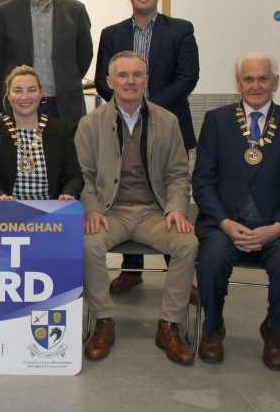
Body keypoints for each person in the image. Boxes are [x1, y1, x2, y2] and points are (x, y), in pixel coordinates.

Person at [194, 53, 280, 370]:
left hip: (275, 227)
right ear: (238, 83)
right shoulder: (216, 121)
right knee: (209, 260)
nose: (256, 85)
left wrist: (277, 227)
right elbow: (203, 182)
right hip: (225, 225)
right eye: (248, 79)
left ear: (275, 82)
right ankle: (212, 329)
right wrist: (224, 223)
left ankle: (275, 333)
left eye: (263, 78)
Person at [77, 51, 197, 365]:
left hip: (153, 212)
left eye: (137, 75)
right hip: (110, 212)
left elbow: (178, 173)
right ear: (109, 82)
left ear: (146, 80)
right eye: (122, 75)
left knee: (187, 244)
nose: (130, 81)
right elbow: (83, 175)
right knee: (88, 244)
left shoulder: (168, 121)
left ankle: (170, 325)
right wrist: (92, 209)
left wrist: (176, 208)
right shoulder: (90, 124)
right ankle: (103, 320)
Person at [94, 0, 200, 295]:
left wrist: (149, 109)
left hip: (170, 127)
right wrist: (128, 107)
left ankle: (180, 275)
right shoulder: (112, 33)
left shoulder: (180, 30)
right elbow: (102, 80)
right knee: (127, 189)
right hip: (122, 125)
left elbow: (188, 77)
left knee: (167, 193)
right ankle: (131, 270)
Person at [0, 0, 93, 123]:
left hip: (66, 109)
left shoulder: (76, 11)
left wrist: (67, 81)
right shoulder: (7, 12)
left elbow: (84, 57)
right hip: (22, 106)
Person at [0, 65, 82, 201]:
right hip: (7, 208)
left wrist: (69, 193)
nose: (25, 96)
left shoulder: (62, 129)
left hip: (51, 209)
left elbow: (74, 175)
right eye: (18, 91)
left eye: (31, 90)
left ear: (40, 94)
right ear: (9, 96)